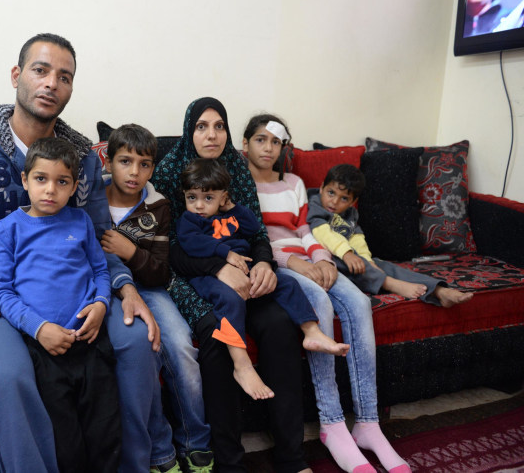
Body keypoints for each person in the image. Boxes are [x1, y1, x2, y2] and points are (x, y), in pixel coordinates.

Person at [0, 33, 162, 473]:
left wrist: (123, 287)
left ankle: (134, 464)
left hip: (77, 289)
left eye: (64, 77)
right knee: (7, 376)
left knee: (137, 342)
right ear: (17, 75)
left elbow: (98, 235)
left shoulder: (83, 161)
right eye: (41, 71)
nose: (51, 84)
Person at [152, 97, 313, 473]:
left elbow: (255, 231)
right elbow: (169, 251)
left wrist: (264, 264)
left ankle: (292, 456)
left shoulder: (236, 171)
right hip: (195, 283)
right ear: (189, 130)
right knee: (217, 339)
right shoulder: (169, 172)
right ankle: (230, 463)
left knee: (278, 326)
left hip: (245, 272)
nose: (212, 134)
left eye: (219, 126)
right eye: (202, 126)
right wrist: (219, 267)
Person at [243, 113, 410, 473]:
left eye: (275, 141)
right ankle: (332, 424)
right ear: (246, 144)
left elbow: (304, 229)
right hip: (280, 262)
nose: (268, 147)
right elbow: (256, 239)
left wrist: (323, 259)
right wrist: (297, 264)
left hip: (309, 255)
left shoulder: (295, 183)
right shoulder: (242, 184)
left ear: (283, 147)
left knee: (358, 301)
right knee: (318, 302)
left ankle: (367, 422)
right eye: (260, 139)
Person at [0, 137, 120, 473]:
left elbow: (101, 270)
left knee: (105, 433)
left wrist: (102, 303)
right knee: (65, 442)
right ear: (24, 179)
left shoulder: (80, 221)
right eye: (41, 179)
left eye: (62, 182)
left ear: (74, 185)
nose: (50, 190)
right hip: (44, 349)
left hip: (90, 342)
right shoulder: (9, 229)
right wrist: (39, 328)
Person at [176, 158, 349, 401]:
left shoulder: (230, 214)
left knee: (287, 283)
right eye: (192, 197)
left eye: (208, 198)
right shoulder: (190, 220)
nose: (199, 205)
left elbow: (253, 227)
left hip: (243, 267)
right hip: (208, 275)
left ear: (223, 197)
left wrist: (232, 208)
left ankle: (311, 331)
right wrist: (225, 253)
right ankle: (241, 364)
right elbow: (191, 243)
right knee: (230, 300)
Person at [101, 124, 213, 473]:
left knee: (181, 346)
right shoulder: (90, 198)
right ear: (109, 161)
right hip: (105, 290)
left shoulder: (158, 204)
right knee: (143, 351)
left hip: (150, 288)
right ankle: (161, 454)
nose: (135, 172)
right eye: (125, 161)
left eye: (145, 164)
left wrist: (130, 251)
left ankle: (196, 442)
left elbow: (161, 272)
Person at [307, 164, 474, 308]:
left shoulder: (350, 213)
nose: (334, 202)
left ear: (352, 202)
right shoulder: (315, 204)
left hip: (351, 256)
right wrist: (347, 253)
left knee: (384, 266)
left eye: (344, 198)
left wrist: (368, 260)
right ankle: (391, 284)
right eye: (330, 193)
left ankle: (439, 291)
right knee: (350, 264)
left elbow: (356, 237)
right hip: (328, 258)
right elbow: (322, 232)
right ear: (322, 187)